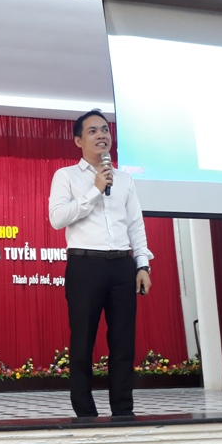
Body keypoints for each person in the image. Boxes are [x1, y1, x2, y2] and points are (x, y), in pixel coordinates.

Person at [49, 109, 153, 417]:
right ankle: (85, 412)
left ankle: (123, 410)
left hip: (122, 265)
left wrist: (142, 265)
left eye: (105, 130)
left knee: (123, 341)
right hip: (85, 265)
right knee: (83, 341)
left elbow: (135, 225)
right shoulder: (66, 176)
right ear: (78, 140)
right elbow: (57, 218)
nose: (101, 135)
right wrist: (95, 189)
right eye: (93, 131)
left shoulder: (124, 180)